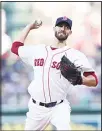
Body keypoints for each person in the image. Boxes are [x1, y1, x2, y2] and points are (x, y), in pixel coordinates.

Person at [11, 16, 98, 130]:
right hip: (37, 108)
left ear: (70, 32)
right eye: (60, 26)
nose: (63, 29)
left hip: (59, 106)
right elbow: (15, 48)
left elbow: (94, 80)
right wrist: (28, 27)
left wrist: (80, 80)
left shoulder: (75, 55)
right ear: (54, 28)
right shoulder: (38, 50)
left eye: (66, 27)